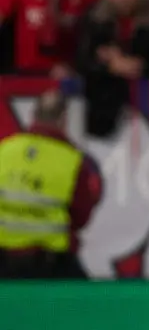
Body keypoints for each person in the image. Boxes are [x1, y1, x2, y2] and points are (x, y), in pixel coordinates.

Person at [0, 89, 101, 279]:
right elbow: (81, 217)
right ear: (64, 120)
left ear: (33, 116)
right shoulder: (72, 161)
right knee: (87, 303)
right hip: (49, 264)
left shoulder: (4, 149)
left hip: (4, 260)